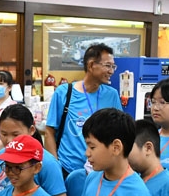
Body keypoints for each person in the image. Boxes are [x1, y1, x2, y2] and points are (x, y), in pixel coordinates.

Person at [44, 43, 122, 175]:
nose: (112, 71)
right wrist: (55, 167)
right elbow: (49, 132)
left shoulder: (112, 95)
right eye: (108, 66)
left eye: (113, 66)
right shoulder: (64, 92)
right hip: (67, 169)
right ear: (91, 65)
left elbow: (119, 132)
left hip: (100, 172)